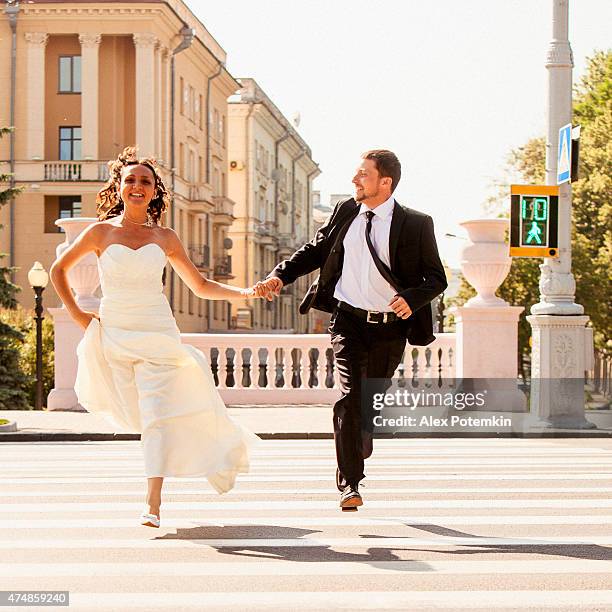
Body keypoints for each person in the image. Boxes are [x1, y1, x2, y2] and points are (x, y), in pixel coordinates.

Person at [50, 147, 262, 528]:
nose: (137, 185)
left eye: (145, 181)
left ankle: (153, 502)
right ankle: (159, 490)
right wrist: (80, 316)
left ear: (153, 191)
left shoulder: (165, 237)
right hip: (116, 331)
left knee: (156, 415)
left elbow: (200, 285)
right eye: (130, 179)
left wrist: (245, 293)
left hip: (158, 332)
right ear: (118, 186)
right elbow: (58, 270)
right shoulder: (100, 232)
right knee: (146, 415)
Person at [257, 150, 447, 511]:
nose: (354, 180)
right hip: (347, 320)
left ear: (384, 182)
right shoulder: (347, 211)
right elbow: (316, 249)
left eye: (362, 174)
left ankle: (363, 431)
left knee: (368, 403)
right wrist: (281, 274)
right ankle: (350, 484)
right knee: (349, 397)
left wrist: (412, 298)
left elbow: (437, 278)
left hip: (389, 328)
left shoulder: (416, 224)